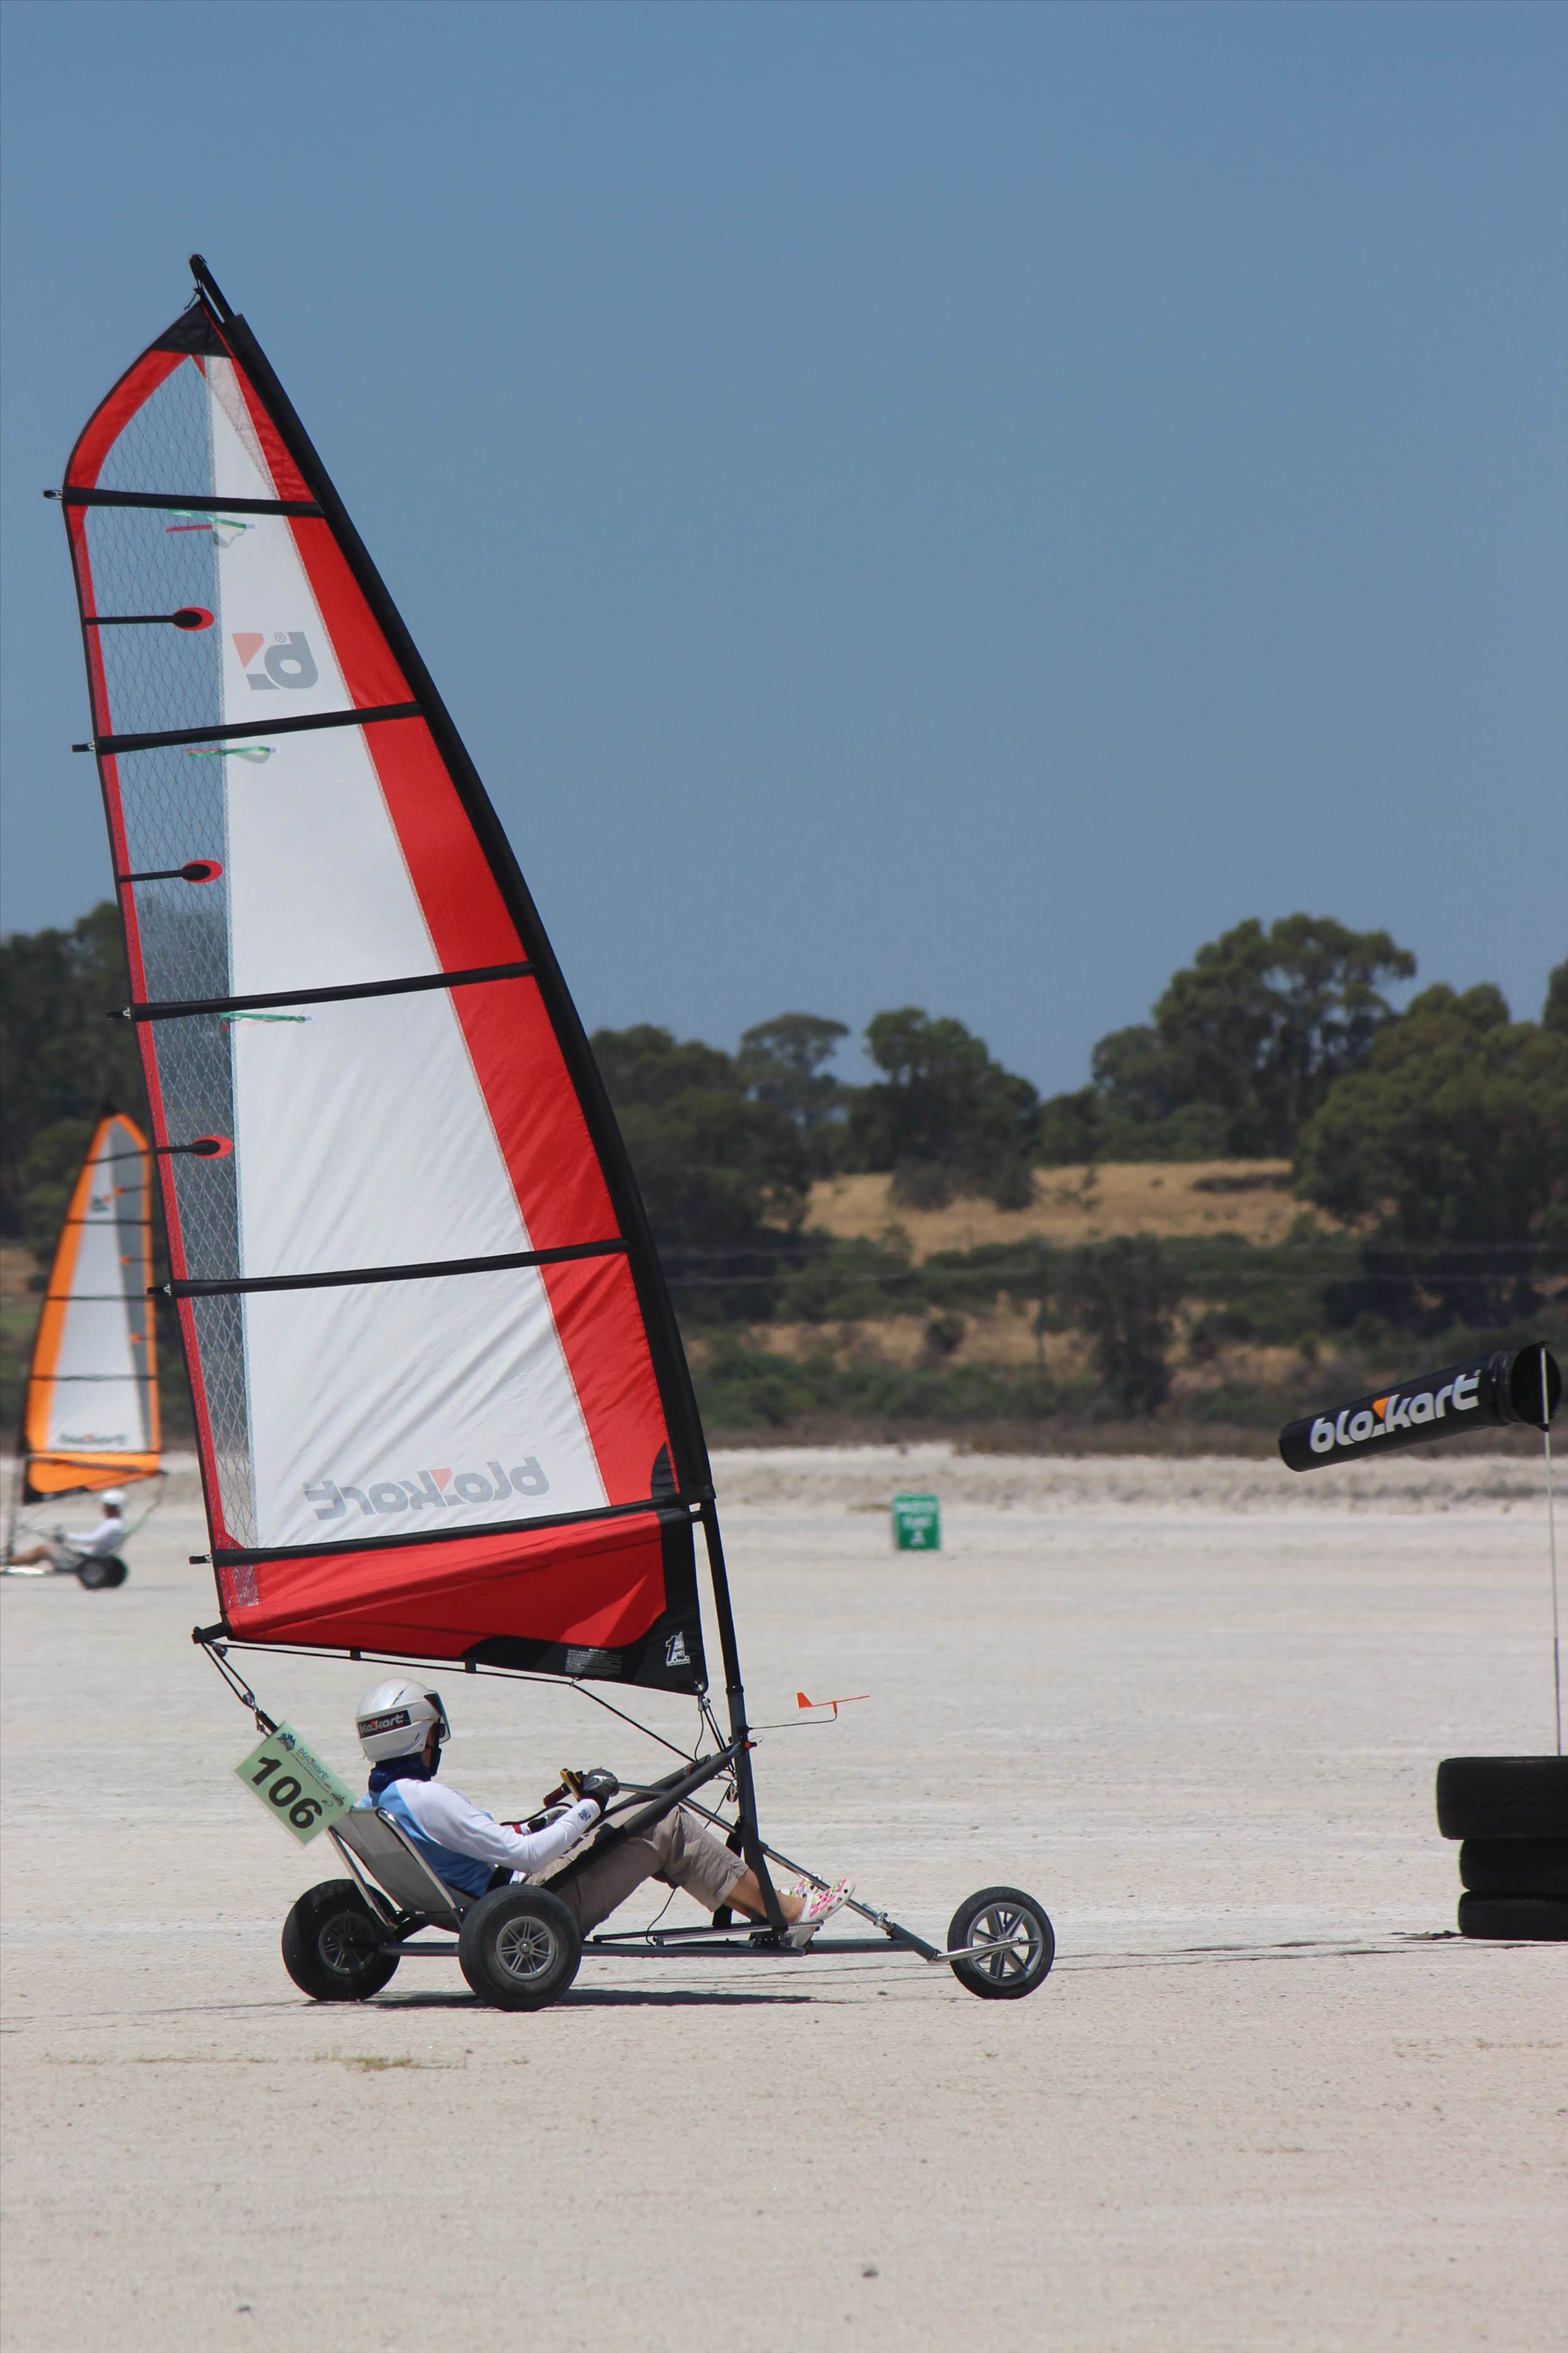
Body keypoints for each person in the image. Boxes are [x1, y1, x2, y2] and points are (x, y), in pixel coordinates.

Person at [353, 1679, 851, 1948]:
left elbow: (501, 1842)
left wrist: (562, 1818)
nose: (438, 1742)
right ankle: (786, 1915)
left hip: (485, 1899)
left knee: (641, 1813)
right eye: (434, 1733)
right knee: (663, 1820)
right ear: (418, 1735)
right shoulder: (428, 1797)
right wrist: (592, 1802)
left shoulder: (376, 1802)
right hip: (527, 1907)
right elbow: (525, 1854)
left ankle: (766, 1908)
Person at [3, 1490, 126, 1575]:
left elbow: (93, 1539)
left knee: (44, 1549)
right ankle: (11, 1562)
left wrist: (67, 1537)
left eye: (106, 1506)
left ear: (113, 1508)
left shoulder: (112, 1525)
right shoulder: (117, 1525)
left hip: (81, 1562)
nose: (103, 1509)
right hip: (83, 1558)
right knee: (48, 1548)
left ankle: (8, 1563)